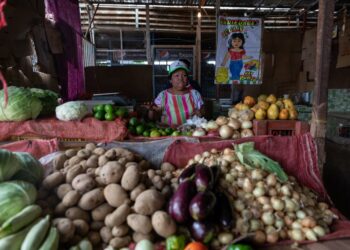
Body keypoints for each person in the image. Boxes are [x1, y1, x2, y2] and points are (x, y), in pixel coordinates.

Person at [151, 60, 204, 126]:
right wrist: (152, 111)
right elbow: (153, 117)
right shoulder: (163, 95)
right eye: (177, 75)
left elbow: (203, 111)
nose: (181, 79)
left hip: (190, 133)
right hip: (169, 133)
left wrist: (200, 113)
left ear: (187, 78)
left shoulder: (195, 94)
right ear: (170, 79)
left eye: (184, 75)